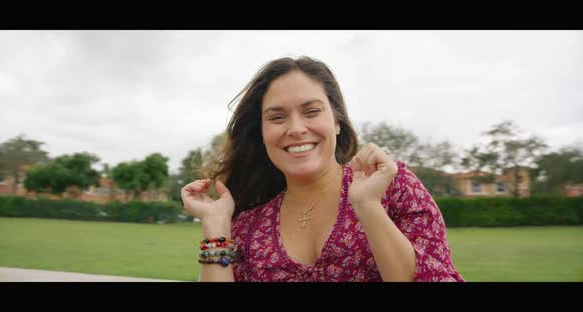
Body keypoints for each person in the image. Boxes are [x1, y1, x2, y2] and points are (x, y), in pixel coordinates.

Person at [181, 56, 464, 282]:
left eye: (312, 111)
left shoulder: (393, 187)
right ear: (262, 133)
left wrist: (368, 206)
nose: (296, 128)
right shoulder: (247, 228)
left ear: (337, 122)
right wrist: (216, 225)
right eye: (277, 117)